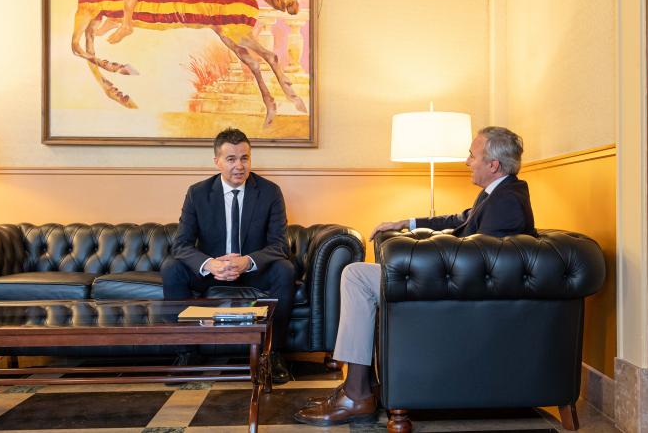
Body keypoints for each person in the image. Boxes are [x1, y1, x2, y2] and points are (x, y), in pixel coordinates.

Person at [294, 126, 536, 426]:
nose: (467, 162)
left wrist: (417, 261)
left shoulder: (506, 202)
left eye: (472, 156)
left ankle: (356, 393)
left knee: (356, 276)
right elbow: (459, 221)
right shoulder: (498, 194)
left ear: (493, 165)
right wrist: (405, 224)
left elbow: (484, 266)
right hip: (450, 287)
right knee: (356, 275)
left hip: (458, 297)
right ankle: (356, 388)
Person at [162, 127, 295, 384]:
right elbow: (181, 245)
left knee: (285, 269)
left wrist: (247, 261)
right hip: (213, 272)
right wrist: (210, 264)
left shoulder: (269, 192)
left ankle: (274, 354)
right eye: (231, 159)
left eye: (245, 158)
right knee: (172, 268)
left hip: (253, 272)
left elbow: (279, 245)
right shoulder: (198, 193)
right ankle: (187, 353)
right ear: (217, 162)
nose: (239, 166)